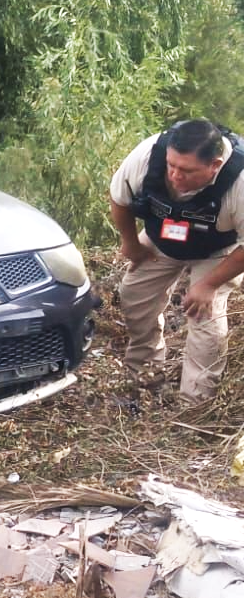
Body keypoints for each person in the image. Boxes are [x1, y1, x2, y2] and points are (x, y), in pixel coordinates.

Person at [110, 118, 244, 403]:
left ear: (215, 165)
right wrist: (131, 243)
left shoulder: (240, 180)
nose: (174, 175)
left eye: (186, 170)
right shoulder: (148, 155)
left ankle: (194, 401)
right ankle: (144, 376)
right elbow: (119, 199)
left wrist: (208, 285)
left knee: (204, 316)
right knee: (134, 295)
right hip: (165, 236)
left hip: (219, 249)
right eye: (171, 165)